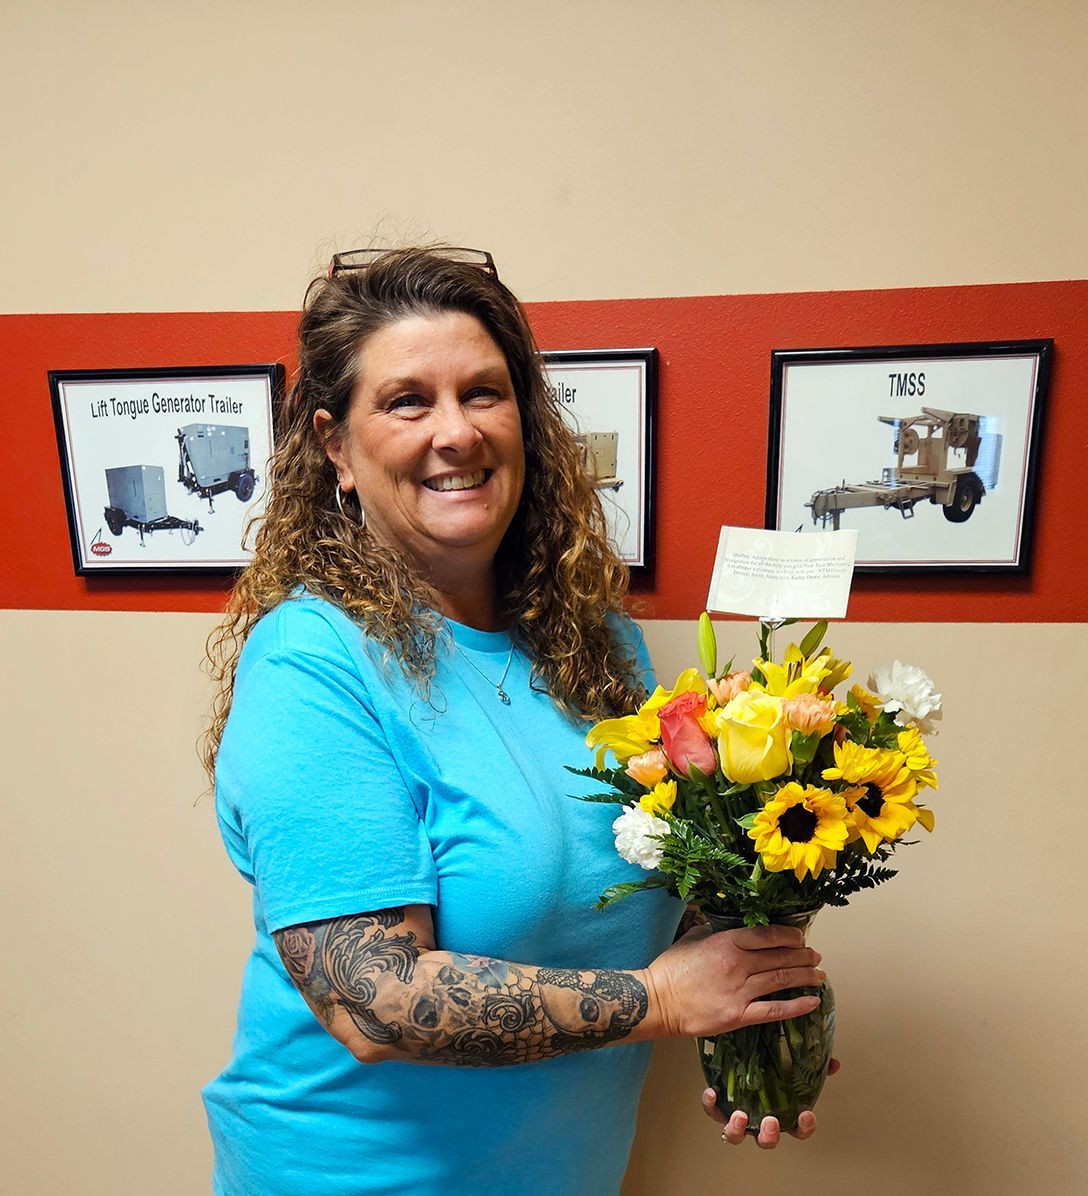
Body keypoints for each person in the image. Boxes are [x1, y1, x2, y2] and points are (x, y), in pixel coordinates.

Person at [200, 246, 826, 1195]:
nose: (456, 432)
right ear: (335, 449)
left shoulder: (596, 642)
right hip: (350, 1176)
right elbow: (373, 1000)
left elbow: (641, 886)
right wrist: (659, 1001)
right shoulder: (311, 663)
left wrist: (745, 999)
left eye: (484, 394)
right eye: (408, 401)